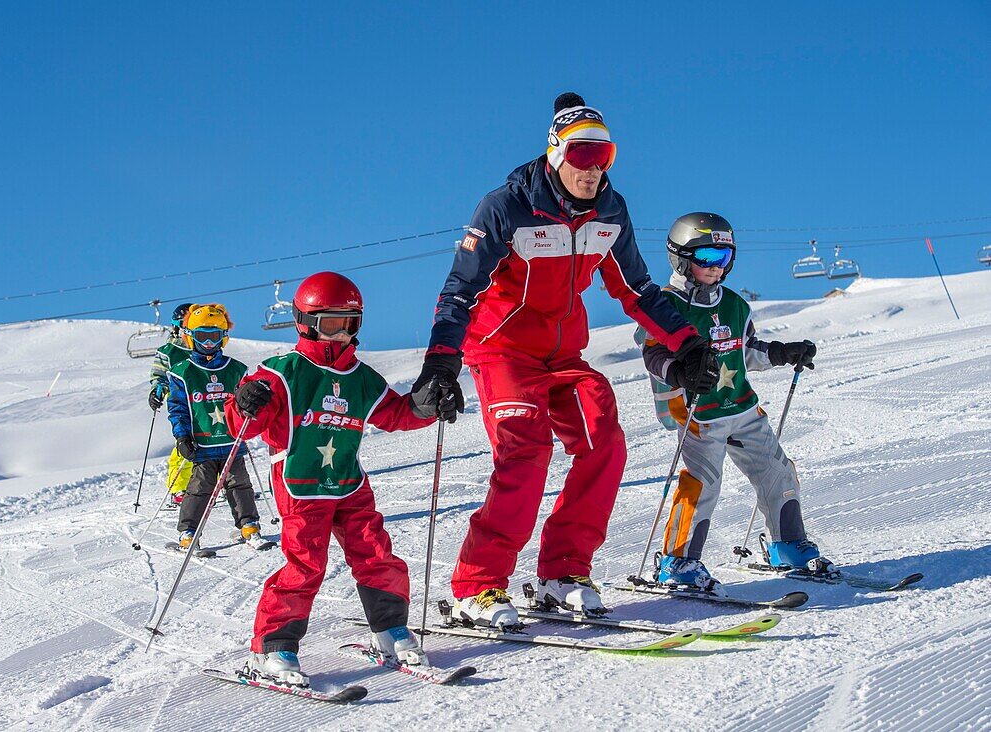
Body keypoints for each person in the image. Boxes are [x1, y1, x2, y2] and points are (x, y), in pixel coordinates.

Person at [410, 92, 716, 627]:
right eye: (581, 155)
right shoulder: (507, 206)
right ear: (555, 153)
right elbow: (460, 289)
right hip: (502, 350)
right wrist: (441, 363)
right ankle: (477, 585)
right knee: (525, 453)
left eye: (604, 155)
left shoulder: (610, 212)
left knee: (605, 441)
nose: (592, 168)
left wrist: (687, 343)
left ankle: (563, 572)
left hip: (562, 355)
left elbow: (637, 289)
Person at [225, 272, 456, 687]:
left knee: (376, 553)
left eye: (350, 324)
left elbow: (395, 414)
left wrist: (424, 407)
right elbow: (245, 424)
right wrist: (243, 404)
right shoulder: (280, 373)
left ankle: (390, 630)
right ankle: (273, 647)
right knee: (306, 563)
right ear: (305, 321)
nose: (342, 334)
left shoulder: (363, 378)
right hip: (300, 485)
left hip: (350, 483)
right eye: (331, 323)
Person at [637, 212, 833, 594]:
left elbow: (747, 353)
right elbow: (652, 354)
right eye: (706, 257)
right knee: (703, 484)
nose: (715, 267)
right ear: (681, 258)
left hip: (742, 407)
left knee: (778, 471)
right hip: (698, 413)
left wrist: (782, 352)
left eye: (723, 258)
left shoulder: (735, 306)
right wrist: (679, 374)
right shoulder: (665, 305)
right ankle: (678, 561)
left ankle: (786, 544)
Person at [166, 303, 262, 549]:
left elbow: (245, 400)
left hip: (232, 443)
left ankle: (248, 524)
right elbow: (178, 409)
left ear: (223, 338)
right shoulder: (182, 373)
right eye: (202, 337)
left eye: (214, 337)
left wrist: (250, 408)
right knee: (199, 489)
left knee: (239, 484)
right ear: (191, 337)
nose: (208, 343)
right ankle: (188, 531)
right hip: (203, 444)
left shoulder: (236, 370)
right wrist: (182, 437)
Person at [149, 302, 194, 506]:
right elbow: (158, 375)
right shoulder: (168, 351)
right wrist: (157, 390)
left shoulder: (204, 345)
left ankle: (218, 481)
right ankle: (179, 487)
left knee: (214, 441)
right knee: (184, 443)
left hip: (207, 401)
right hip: (181, 403)